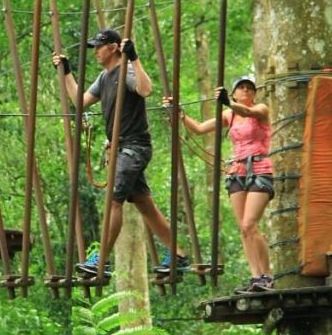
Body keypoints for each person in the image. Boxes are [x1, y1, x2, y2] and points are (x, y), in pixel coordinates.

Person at [54, 28, 187, 277]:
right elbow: (79, 101)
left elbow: (146, 90)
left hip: (134, 147)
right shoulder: (104, 77)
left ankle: (101, 261)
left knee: (114, 201)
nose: (95, 52)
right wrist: (66, 72)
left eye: (99, 46)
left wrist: (134, 57)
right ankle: (179, 255)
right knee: (145, 205)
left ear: (114, 47)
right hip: (121, 147)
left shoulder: (126, 71)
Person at [165, 76, 274, 292]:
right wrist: (179, 112)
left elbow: (249, 112)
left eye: (249, 88)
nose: (246, 91)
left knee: (249, 224)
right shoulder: (229, 115)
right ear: (233, 93)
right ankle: (255, 277)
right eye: (241, 88)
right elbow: (198, 129)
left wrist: (229, 103)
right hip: (237, 172)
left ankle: (267, 275)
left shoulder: (261, 109)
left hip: (260, 170)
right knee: (243, 229)